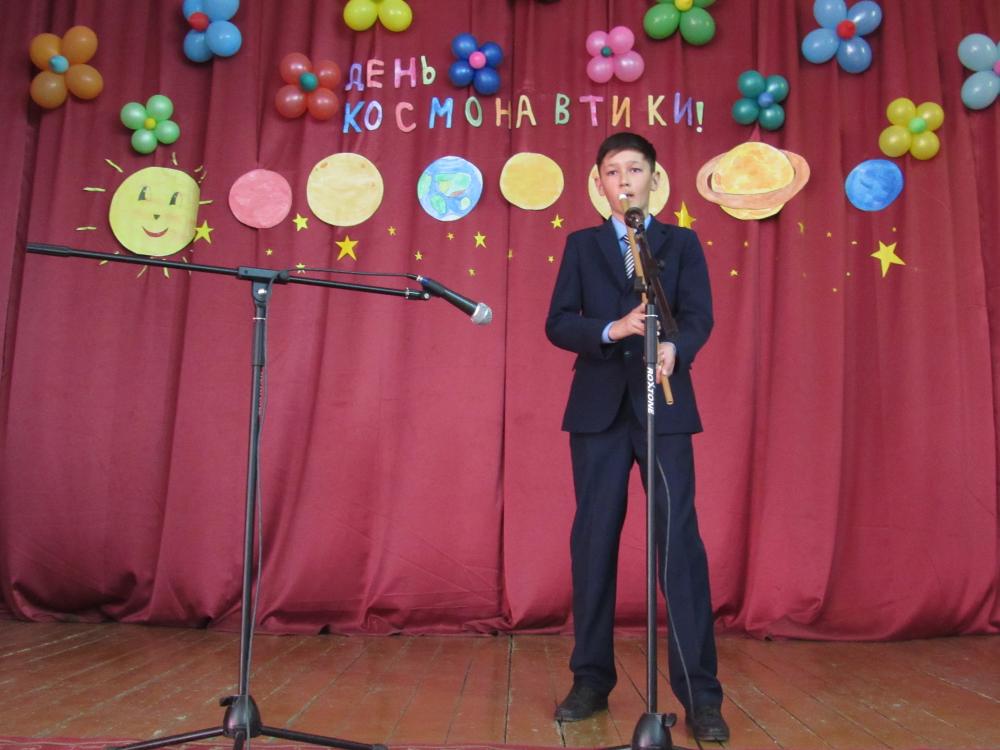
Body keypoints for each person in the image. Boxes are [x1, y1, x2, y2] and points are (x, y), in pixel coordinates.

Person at [544, 132, 728, 742]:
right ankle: (591, 679)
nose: (624, 180)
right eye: (612, 171)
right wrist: (611, 328)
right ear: (598, 182)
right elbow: (558, 323)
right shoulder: (581, 245)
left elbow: (698, 316)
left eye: (635, 169)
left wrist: (676, 347)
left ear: (654, 178)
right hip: (598, 412)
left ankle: (701, 696)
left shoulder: (680, 243)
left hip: (664, 407)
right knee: (594, 541)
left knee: (680, 544)